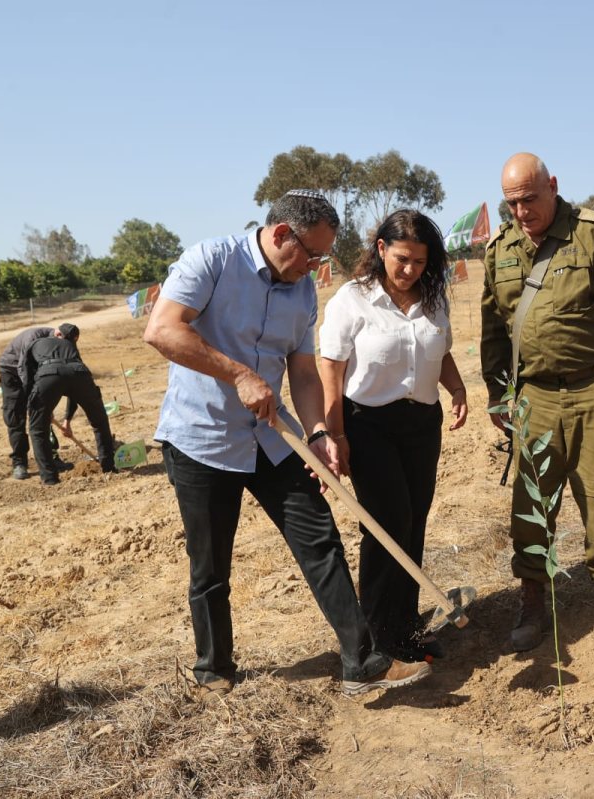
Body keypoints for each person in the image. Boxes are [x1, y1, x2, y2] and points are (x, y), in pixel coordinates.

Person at [143, 190, 430, 696]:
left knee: (319, 536)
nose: (316, 266)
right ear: (281, 236)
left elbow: (301, 371)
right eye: (313, 255)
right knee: (211, 563)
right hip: (201, 437)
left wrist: (318, 431)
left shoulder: (301, 292)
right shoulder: (212, 259)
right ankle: (214, 668)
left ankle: (360, 660)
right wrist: (237, 374)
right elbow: (162, 330)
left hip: (271, 439)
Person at [481, 153, 594, 652]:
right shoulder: (499, 249)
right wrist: (499, 395)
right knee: (530, 504)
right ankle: (533, 600)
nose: (521, 211)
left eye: (529, 199)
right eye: (512, 203)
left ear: (553, 186)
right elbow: (494, 331)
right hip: (534, 397)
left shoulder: (592, 232)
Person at [318, 209, 468, 662]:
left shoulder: (434, 298)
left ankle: (406, 624)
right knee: (388, 524)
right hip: (368, 424)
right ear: (381, 249)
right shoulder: (352, 299)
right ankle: (381, 636)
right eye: (402, 259)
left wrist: (457, 388)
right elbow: (331, 366)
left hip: (422, 424)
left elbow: (440, 350)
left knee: (415, 519)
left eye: (420, 262)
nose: (410, 270)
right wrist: (334, 432)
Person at [21, 324, 117, 485]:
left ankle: (50, 479)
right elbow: (74, 385)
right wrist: (67, 419)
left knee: (38, 430)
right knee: (99, 422)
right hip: (80, 373)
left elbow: (27, 377)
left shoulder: (34, 345)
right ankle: (109, 467)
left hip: (48, 375)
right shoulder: (69, 345)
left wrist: (37, 406)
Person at [0, 324, 65, 479]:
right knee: (16, 417)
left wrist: (45, 404)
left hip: (31, 374)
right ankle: (19, 463)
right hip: (12, 371)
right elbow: (23, 368)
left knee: (42, 413)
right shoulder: (34, 337)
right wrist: (32, 397)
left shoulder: (57, 344)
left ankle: (51, 457)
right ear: (57, 335)